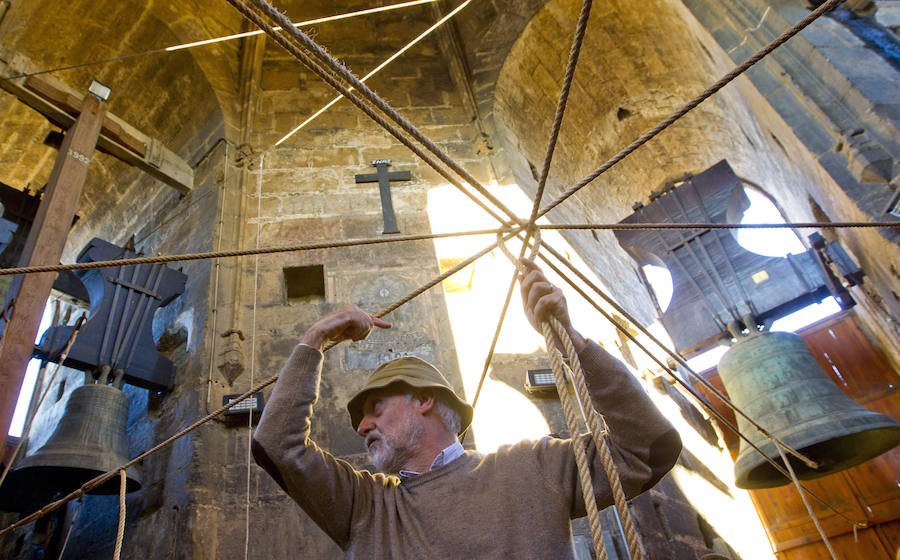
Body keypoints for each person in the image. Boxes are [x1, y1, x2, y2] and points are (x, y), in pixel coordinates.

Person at [252, 259, 681, 558]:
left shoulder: (532, 467)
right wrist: (315, 339)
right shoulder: (365, 506)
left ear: (424, 400)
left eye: (376, 407)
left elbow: (648, 447)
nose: (363, 425)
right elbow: (277, 445)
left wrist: (575, 341)